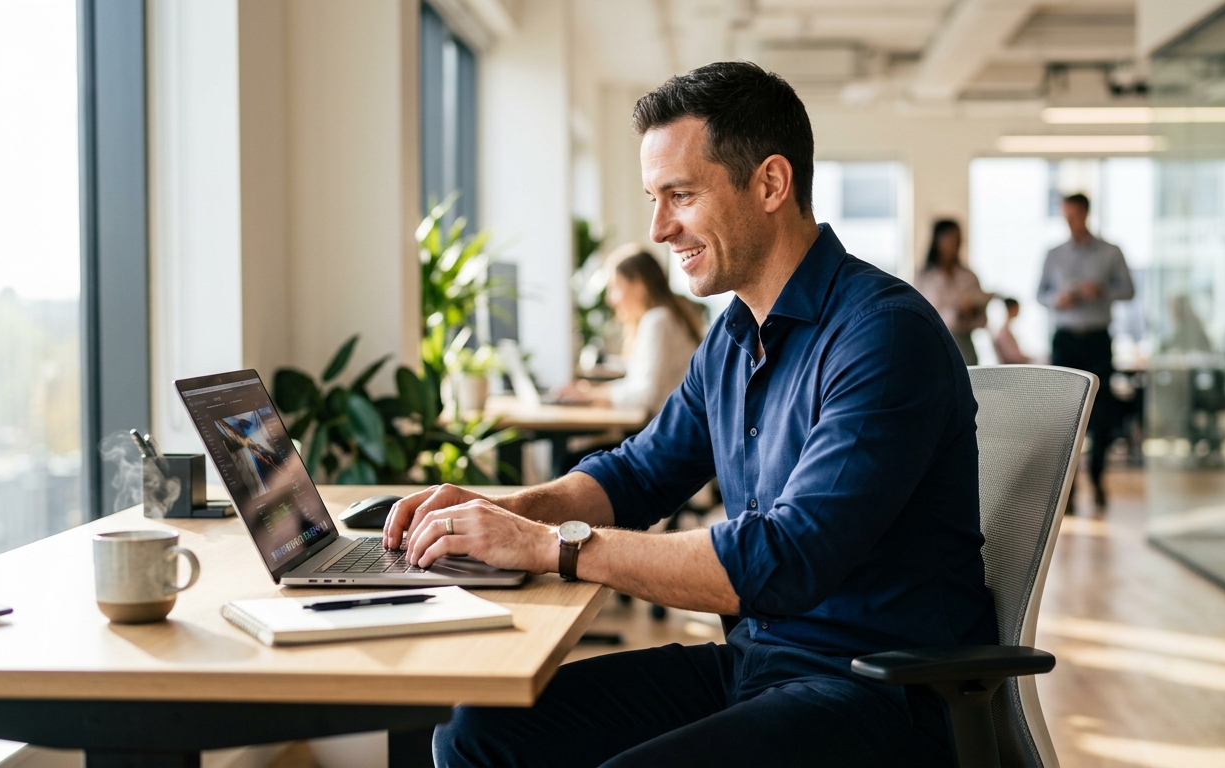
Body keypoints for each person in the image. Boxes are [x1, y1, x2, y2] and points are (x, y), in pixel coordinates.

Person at [383, 61, 997, 768]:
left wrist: (553, 546)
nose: (659, 228)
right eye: (654, 198)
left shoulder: (882, 335)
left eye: (680, 195)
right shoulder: (733, 338)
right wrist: (504, 513)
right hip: (761, 664)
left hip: (879, 695)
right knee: (477, 733)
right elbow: (638, 475)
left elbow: (789, 559)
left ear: (770, 184)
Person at [1037, 193, 1134, 511]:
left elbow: (1129, 290)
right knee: (1066, 416)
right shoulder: (1054, 254)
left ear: (1086, 213)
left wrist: (1101, 290)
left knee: (1101, 414)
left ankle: (1097, 478)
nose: (1070, 221)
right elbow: (1040, 294)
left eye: (1074, 215)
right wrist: (1058, 300)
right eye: (1066, 216)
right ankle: (1068, 489)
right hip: (1066, 340)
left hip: (1097, 341)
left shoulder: (1110, 252)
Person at [557, 245, 703, 414]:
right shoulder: (665, 318)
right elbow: (637, 385)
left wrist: (590, 395)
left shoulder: (658, 320)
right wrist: (592, 392)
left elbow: (645, 396)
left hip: (668, 426)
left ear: (639, 286)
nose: (610, 299)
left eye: (615, 288)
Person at [916, 219, 991, 364]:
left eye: (957, 239)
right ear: (937, 241)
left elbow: (982, 320)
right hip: (933, 348)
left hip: (964, 350)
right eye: (949, 238)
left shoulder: (969, 277)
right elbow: (920, 316)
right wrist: (955, 313)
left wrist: (971, 312)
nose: (953, 244)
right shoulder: (924, 278)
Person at [993, 298, 1032, 364]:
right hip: (1014, 366)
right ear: (1012, 309)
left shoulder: (1004, 330)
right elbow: (1013, 357)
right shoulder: (1004, 332)